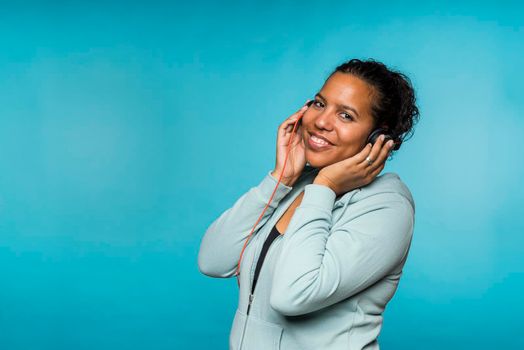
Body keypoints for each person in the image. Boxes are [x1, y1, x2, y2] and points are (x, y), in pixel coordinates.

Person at [198, 58, 420, 350]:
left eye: (346, 116)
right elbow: (212, 261)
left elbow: (293, 295)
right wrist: (280, 178)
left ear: (379, 136)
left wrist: (325, 187)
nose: (321, 122)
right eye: (319, 103)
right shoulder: (297, 184)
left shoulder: (388, 207)